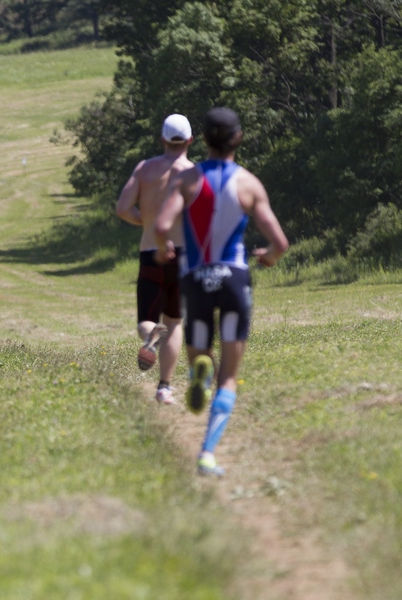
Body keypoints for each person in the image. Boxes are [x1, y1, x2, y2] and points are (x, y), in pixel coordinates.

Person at [155, 107, 289, 476]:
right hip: (233, 279)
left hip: (196, 278)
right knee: (228, 376)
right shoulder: (248, 184)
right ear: (238, 138)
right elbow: (279, 242)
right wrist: (268, 257)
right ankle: (207, 453)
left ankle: (199, 370)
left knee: (201, 352)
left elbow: (163, 224)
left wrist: (167, 247)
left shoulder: (188, 180)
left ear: (204, 140)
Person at [116, 114, 194, 405]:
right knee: (175, 322)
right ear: (189, 141)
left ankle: (151, 336)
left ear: (162, 139)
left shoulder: (145, 169)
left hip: (151, 252)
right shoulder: (195, 174)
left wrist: (147, 221)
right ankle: (164, 387)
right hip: (183, 256)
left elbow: (123, 208)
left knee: (146, 321)